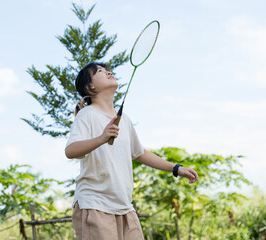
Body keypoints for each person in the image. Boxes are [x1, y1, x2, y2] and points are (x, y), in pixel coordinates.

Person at [65, 62, 199, 240]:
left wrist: (176, 168)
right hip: (95, 204)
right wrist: (101, 138)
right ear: (90, 87)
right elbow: (70, 150)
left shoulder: (124, 120)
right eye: (100, 71)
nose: (108, 72)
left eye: (108, 70)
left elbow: (140, 153)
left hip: (124, 207)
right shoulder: (87, 114)